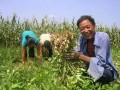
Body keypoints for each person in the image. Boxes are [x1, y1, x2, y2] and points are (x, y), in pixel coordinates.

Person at [65, 15, 119, 84]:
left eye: (88, 27)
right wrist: (68, 49)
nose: (86, 30)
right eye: (82, 29)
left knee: (102, 74)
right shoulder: (81, 37)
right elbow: (77, 50)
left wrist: (80, 56)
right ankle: (91, 77)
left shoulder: (103, 37)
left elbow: (101, 62)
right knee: (75, 72)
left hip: (104, 69)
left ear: (94, 26)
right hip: (90, 67)